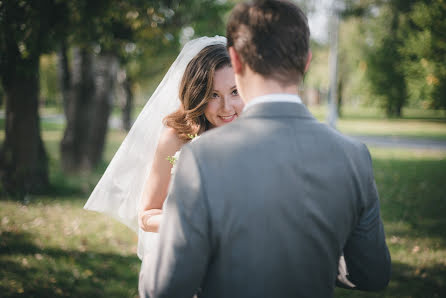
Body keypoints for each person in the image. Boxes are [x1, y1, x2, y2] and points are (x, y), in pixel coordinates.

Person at [139, 0, 391, 297]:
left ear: (236, 61)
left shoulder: (202, 158)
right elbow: (373, 275)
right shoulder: (354, 156)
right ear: (307, 61)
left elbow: (162, 288)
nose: (226, 105)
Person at [84, 36, 244, 259]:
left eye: (235, 92)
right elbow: (147, 215)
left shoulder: (261, 135)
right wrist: (193, 221)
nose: (227, 107)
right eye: (213, 95)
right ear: (197, 95)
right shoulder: (177, 140)